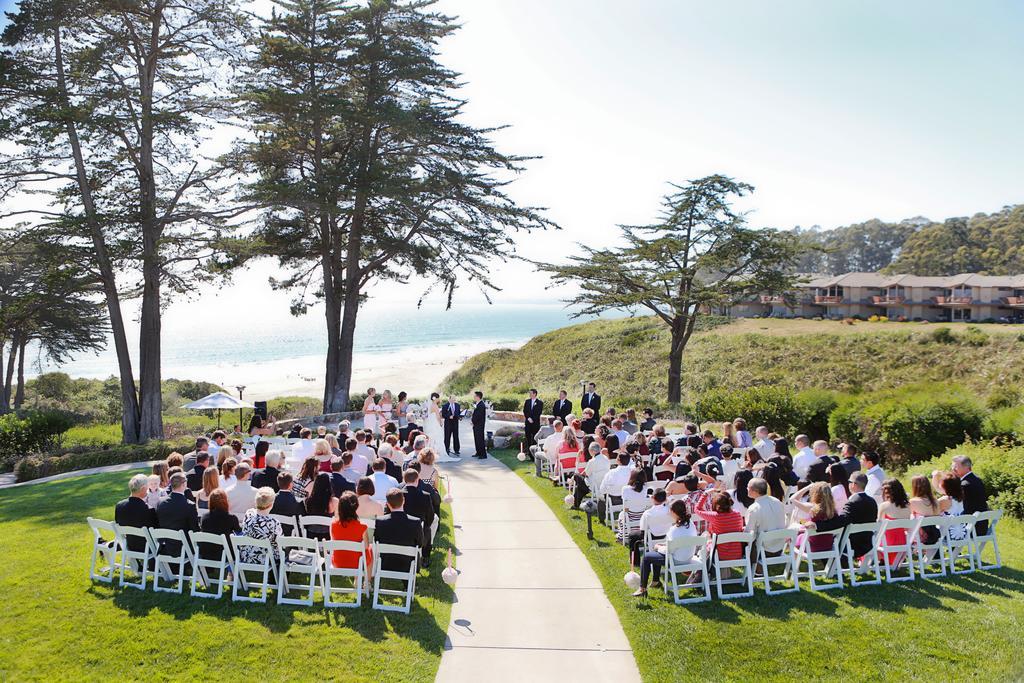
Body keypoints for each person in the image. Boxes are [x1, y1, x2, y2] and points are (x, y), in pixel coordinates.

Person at [633, 499, 697, 597]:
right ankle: (655, 581)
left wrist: (658, 547)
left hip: (676, 560)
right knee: (656, 553)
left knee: (646, 557)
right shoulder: (690, 524)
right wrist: (662, 546)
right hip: (688, 557)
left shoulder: (675, 531)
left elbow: (668, 551)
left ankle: (642, 589)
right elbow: (674, 545)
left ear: (673, 512)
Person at [811, 472, 879, 560]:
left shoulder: (853, 502)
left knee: (825, 542)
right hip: (868, 543)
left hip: (851, 545)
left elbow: (841, 522)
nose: (848, 484)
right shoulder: (872, 501)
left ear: (854, 484)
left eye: (849, 482)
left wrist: (817, 525)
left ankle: (830, 568)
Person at [374, 488, 424, 572]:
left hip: (385, 564)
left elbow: (377, 540)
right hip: (407, 565)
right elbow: (419, 544)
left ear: (388, 504)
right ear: (403, 501)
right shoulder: (415, 522)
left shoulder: (380, 521)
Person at [693, 489, 746, 561]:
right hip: (737, 554)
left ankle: (700, 561)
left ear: (717, 506)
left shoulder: (715, 516)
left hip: (719, 555)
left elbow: (697, 509)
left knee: (705, 534)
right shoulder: (737, 514)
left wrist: (705, 494)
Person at [155, 472, 200, 555]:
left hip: (165, 546)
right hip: (184, 549)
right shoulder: (189, 505)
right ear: (183, 484)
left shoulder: (160, 502)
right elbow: (195, 529)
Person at [330, 491, 373, 574]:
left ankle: (358, 580)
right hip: (357, 564)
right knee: (370, 549)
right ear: (356, 507)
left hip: (338, 563)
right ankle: (367, 583)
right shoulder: (362, 527)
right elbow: (366, 546)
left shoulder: (333, 525)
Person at [401, 468, 436, 567]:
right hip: (419, 531)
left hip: (401, 528)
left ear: (404, 480)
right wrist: (426, 524)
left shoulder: (398, 494)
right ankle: (425, 557)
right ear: (417, 480)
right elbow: (430, 516)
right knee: (427, 529)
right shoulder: (425, 496)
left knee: (427, 527)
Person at [744, 478, 787, 557]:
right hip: (779, 547)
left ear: (754, 491)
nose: (746, 489)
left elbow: (749, 534)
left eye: (748, 487)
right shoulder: (777, 501)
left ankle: (756, 567)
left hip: (763, 550)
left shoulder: (754, 508)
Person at [238, 488, 282, 565]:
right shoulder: (274, 523)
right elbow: (280, 544)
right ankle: (277, 576)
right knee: (285, 552)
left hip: (247, 556)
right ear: (271, 504)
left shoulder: (249, 513)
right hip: (266, 558)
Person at [114, 474, 158, 551]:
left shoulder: (119, 506)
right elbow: (155, 530)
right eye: (147, 488)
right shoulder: (147, 509)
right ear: (143, 488)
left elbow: (119, 524)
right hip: (147, 547)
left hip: (128, 545)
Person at [791, 482, 838, 553]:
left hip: (813, 546)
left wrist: (807, 487)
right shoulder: (833, 510)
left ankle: (794, 562)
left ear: (815, 495)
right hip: (828, 545)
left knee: (795, 533)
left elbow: (792, 499)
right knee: (800, 532)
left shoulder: (813, 509)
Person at [952, 454, 990, 535]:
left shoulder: (965, 484)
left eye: (956, 466)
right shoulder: (977, 479)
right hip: (981, 526)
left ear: (966, 467)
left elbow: (953, 501)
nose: (953, 469)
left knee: (941, 529)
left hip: (971, 528)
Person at [198, 489, 241, 559]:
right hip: (225, 554)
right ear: (225, 501)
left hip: (207, 554)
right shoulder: (231, 518)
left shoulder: (204, 517)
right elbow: (239, 532)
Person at [935, 472, 971, 542]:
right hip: (962, 533)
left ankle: (935, 553)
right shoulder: (960, 499)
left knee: (929, 531)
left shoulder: (945, 500)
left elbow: (932, 512)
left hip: (948, 534)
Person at [598, 452, 634, 521]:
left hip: (612, 499)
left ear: (618, 460)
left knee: (601, 499)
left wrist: (606, 492)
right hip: (626, 499)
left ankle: (601, 520)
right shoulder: (632, 472)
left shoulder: (612, 473)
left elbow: (602, 489)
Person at [438, 393, 462, 459]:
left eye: (454, 398)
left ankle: (457, 450)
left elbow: (458, 413)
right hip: (448, 423)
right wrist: (448, 416)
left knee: (456, 436)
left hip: (455, 423)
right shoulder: (445, 406)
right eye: (452, 398)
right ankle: (447, 449)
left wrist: (460, 417)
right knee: (447, 436)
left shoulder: (457, 405)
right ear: (449, 399)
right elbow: (443, 415)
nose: (454, 400)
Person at [472, 391, 488, 459]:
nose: (474, 397)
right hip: (476, 424)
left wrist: (473, 421)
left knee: (480, 439)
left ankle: (483, 454)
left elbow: (478, 416)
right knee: (477, 439)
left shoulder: (481, 405)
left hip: (479, 425)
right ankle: (478, 452)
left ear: (478, 397)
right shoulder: (478, 404)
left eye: (475, 396)